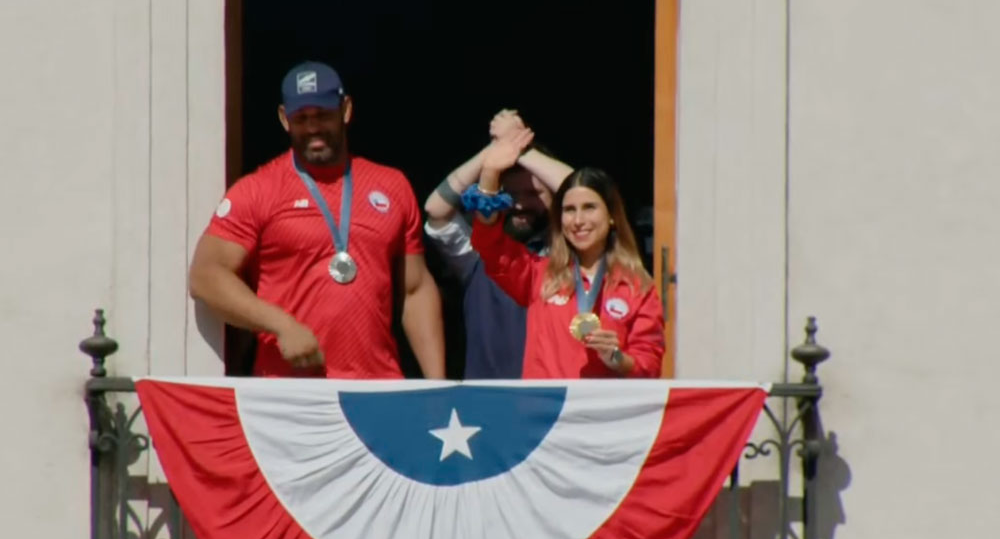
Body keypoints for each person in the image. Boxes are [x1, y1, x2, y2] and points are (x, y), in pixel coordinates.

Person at [189, 61, 445, 379]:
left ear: (346, 110)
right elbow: (205, 276)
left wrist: (437, 386)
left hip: (377, 387)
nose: (313, 128)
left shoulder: (392, 186)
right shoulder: (257, 190)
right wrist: (280, 325)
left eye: (322, 115)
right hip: (290, 392)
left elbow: (415, 289)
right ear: (284, 119)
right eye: (302, 118)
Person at [466, 131, 664, 378]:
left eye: (589, 208)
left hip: (604, 413)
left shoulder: (637, 287)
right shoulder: (539, 275)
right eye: (569, 210)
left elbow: (650, 365)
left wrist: (616, 357)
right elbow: (490, 245)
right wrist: (489, 174)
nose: (578, 220)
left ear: (612, 215)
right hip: (545, 413)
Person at [424, 110, 573, 379]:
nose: (520, 204)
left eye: (534, 193)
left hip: (552, 403)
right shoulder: (476, 251)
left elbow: (590, 193)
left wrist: (522, 150)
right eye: (511, 194)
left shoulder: (574, 251)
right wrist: (493, 153)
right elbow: (436, 208)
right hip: (486, 404)